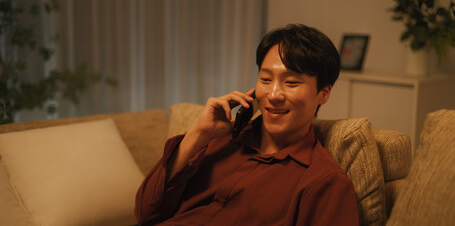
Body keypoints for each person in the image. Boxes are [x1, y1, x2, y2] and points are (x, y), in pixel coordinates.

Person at [135, 23, 359, 225]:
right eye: (265, 79)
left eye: (291, 82)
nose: (273, 94)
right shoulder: (219, 139)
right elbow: (146, 212)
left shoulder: (324, 183)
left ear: (324, 93)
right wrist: (198, 134)